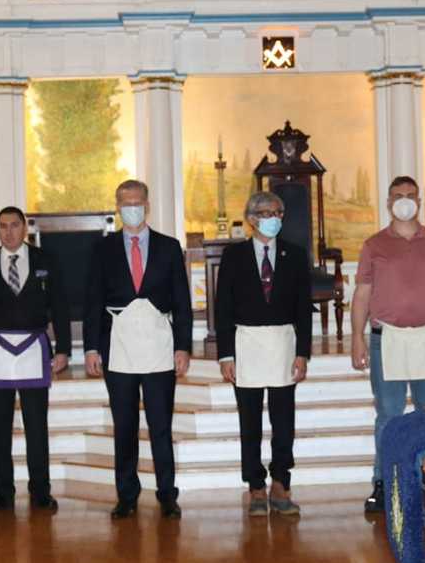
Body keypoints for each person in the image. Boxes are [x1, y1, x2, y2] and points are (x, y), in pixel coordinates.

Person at [350, 176, 425, 515]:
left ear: (419, 201)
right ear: (388, 203)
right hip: (387, 338)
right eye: (397, 195)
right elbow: (362, 294)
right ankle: (384, 482)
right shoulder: (374, 245)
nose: (404, 200)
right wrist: (356, 337)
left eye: (410, 195)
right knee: (389, 415)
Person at [83, 179, 192, 520]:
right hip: (118, 346)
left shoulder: (169, 247)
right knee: (125, 425)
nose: (132, 208)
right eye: (125, 203)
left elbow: (182, 301)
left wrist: (183, 346)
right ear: (118, 207)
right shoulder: (102, 249)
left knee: (160, 425)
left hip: (159, 343)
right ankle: (127, 495)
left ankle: (167, 494)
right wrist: (90, 348)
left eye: (137, 202)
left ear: (147, 205)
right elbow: (92, 300)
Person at [0, 206, 72, 513]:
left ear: (24, 228)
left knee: (36, 426)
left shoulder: (45, 260)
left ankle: (41, 491)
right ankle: (3, 493)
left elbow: (60, 306)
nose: (8, 232)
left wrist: (63, 348)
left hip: (34, 349)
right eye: (2, 226)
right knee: (0, 427)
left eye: (13, 225)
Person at [214, 190, 312, 518]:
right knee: (250, 422)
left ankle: (281, 482)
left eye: (279, 213)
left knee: (283, 421)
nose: (274, 219)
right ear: (252, 219)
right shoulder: (234, 256)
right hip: (246, 345)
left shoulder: (294, 255)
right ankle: (255, 484)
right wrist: (225, 355)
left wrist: (302, 353)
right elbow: (223, 308)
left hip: (283, 344)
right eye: (268, 213)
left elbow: (303, 309)